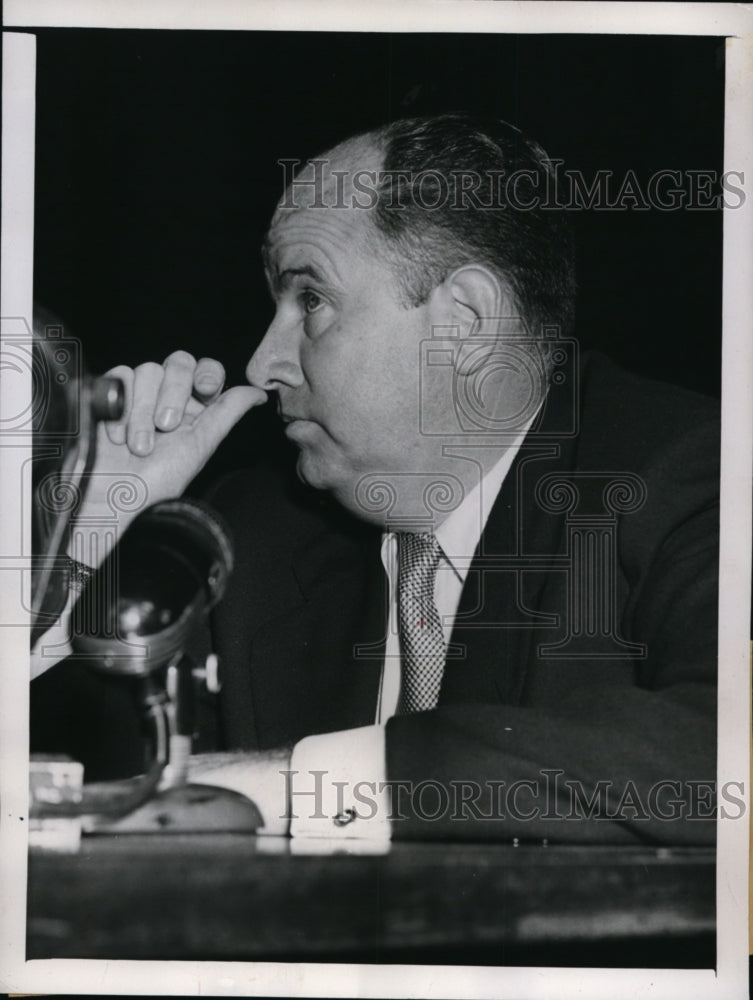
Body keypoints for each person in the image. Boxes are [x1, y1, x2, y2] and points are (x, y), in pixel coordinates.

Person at [31, 114, 719, 844]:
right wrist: (96, 539)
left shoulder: (687, 473)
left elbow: (721, 754)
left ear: (463, 318)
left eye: (311, 301)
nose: (262, 363)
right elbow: (69, 791)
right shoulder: (251, 530)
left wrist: (303, 785)